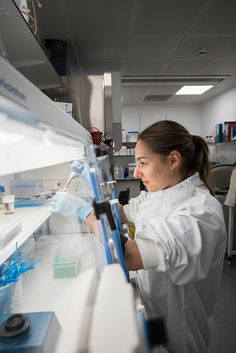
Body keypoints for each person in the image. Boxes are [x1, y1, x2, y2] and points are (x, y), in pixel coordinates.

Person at [52, 120, 227, 353]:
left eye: (143, 163)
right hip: (156, 309)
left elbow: (129, 254)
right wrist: (91, 189)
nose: (136, 172)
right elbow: (120, 213)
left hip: (183, 327)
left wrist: (84, 213)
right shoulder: (158, 193)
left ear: (173, 160)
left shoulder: (200, 213)